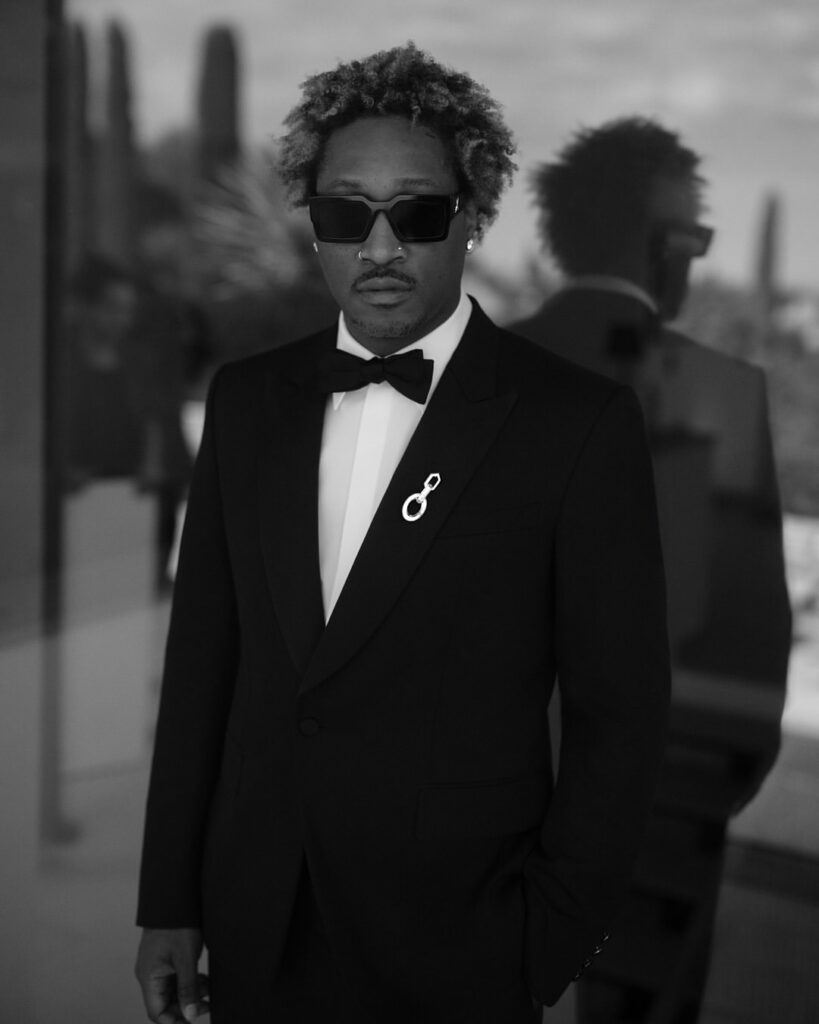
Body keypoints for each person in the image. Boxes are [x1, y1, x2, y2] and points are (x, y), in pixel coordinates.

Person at [135, 47, 670, 1024]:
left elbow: (621, 714)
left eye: (416, 214)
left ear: (472, 214)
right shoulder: (247, 401)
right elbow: (202, 667)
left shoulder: (577, 424)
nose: (379, 248)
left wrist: (549, 940)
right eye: (346, 215)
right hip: (253, 926)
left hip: (461, 947)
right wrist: (170, 898)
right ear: (313, 224)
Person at [511, 117, 791, 1021]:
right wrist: (713, 792)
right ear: (663, 246)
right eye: (695, 241)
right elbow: (746, 635)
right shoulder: (719, 394)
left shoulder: (455, 372)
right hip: (656, 805)